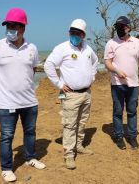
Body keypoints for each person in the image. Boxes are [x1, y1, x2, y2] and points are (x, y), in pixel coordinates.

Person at [0, 8, 46, 182]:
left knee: (30, 132)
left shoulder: (32, 48)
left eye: (14, 25)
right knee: (6, 136)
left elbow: (31, 70)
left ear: (23, 28)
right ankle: (6, 168)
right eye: (8, 25)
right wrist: (3, 87)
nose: (10, 29)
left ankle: (30, 158)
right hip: (7, 103)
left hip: (29, 101)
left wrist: (21, 86)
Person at [44, 19, 98, 170]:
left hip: (86, 93)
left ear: (83, 35)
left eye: (77, 33)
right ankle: (69, 154)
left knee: (82, 122)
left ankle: (79, 146)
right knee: (70, 125)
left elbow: (95, 61)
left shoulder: (87, 48)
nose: (74, 35)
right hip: (70, 95)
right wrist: (59, 84)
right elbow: (48, 65)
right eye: (71, 32)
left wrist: (92, 77)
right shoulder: (62, 48)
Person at [104, 16, 139, 150]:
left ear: (129, 27)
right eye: (118, 26)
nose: (120, 29)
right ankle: (119, 136)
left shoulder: (137, 42)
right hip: (117, 84)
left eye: (122, 26)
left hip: (133, 84)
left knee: (132, 110)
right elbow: (107, 62)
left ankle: (132, 136)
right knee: (118, 111)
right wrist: (116, 70)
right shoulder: (111, 43)